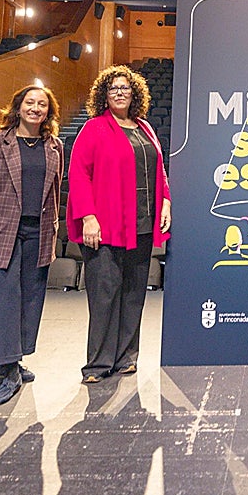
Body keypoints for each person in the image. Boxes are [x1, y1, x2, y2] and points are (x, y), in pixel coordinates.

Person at [68, 65, 171, 384]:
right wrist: (88, 216)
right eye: (113, 88)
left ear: (135, 93)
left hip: (140, 223)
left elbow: (160, 169)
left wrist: (166, 199)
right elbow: (78, 174)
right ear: (104, 95)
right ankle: (98, 365)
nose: (120, 92)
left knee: (133, 294)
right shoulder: (94, 128)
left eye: (125, 87)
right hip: (106, 225)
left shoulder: (144, 128)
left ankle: (127, 357)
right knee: (104, 296)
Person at [0, 84, 64, 406]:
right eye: (30, 102)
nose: (35, 108)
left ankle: (15, 360)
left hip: (38, 232)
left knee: (29, 300)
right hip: (1, 232)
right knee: (0, 302)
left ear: (48, 112)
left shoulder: (54, 147)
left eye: (42, 104)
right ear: (18, 107)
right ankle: (4, 372)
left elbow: (55, 190)